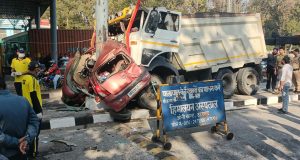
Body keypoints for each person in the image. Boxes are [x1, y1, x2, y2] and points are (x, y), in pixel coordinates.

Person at [0, 76, 40, 160]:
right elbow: (34, 122)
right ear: (5, 85)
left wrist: (16, 142)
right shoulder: (23, 100)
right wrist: (26, 139)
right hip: (22, 152)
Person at [21, 61, 43, 157]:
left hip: (25, 108)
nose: (39, 70)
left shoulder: (24, 77)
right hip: (33, 110)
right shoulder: (32, 79)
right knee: (35, 132)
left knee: (28, 132)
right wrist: (38, 111)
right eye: (38, 69)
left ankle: (28, 152)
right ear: (34, 69)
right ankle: (33, 153)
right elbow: (33, 95)